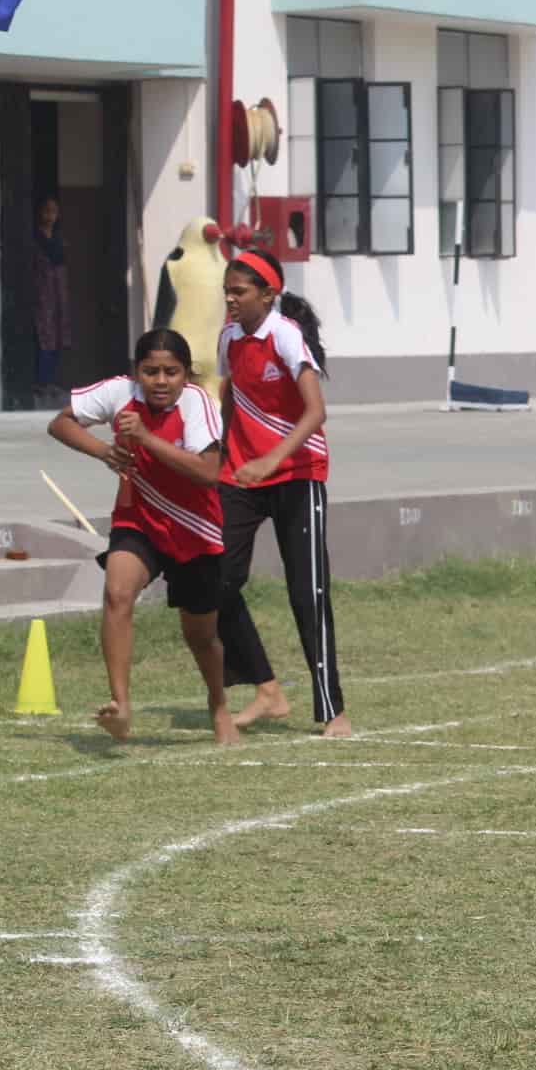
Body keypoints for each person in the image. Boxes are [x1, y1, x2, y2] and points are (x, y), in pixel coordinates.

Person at [48, 330, 237, 745]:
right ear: (137, 372)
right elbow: (59, 423)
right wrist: (103, 451)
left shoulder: (198, 403)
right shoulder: (119, 393)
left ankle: (218, 703)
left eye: (171, 372)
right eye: (151, 371)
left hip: (194, 529)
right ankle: (121, 706)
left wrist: (146, 438)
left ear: (186, 374)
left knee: (201, 635)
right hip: (139, 520)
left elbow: (209, 472)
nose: (161, 381)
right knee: (117, 593)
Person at [214, 249, 351, 738]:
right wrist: (216, 455)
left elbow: (316, 412)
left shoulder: (286, 335)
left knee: (307, 592)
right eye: (226, 291)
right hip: (241, 475)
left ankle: (333, 710)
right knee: (212, 580)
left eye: (239, 292)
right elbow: (230, 397)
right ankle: (267, 689)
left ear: (268, 294)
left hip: (298, 473)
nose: (230, 300)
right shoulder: (228, 337)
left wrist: (271, 459)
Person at [32, 196, 74, 409]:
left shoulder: (58, 238)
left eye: (54, 211)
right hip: (43, 291)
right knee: (45, 335)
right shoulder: (36, 238)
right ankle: (42, 381)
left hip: (59, 291)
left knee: (59, 334)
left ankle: (52, 380)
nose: (50, 216)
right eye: (46, 211)